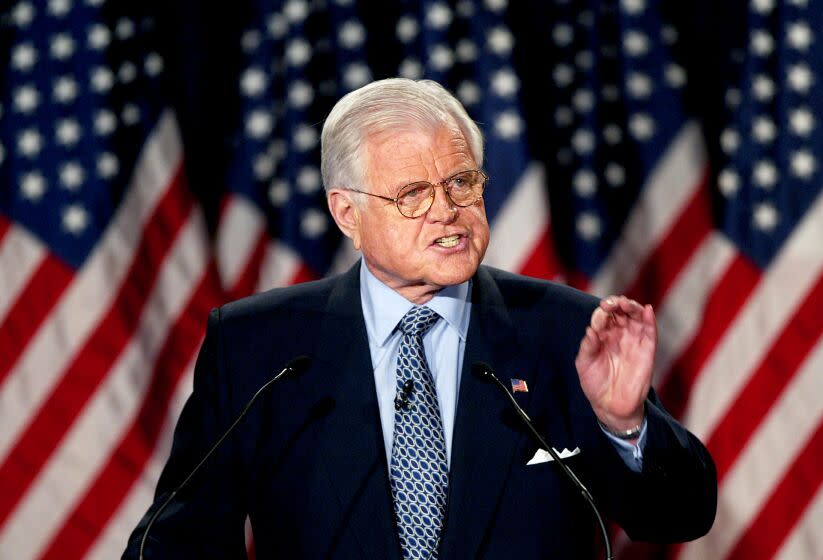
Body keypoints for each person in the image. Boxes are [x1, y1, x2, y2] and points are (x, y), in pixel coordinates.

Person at [124, 78, 716, 559]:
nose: (448, 212)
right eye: (413, 193)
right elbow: (176, 543)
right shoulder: (259, 347)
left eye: (462, 182)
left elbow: (679, 517)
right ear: (346, 213)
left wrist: (625, 426)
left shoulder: (562, 330)